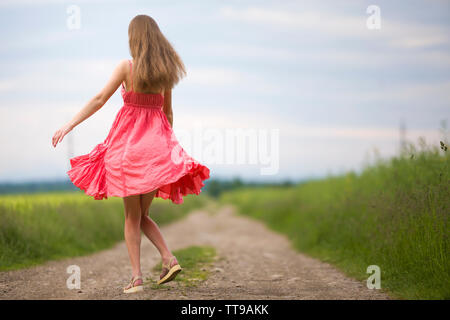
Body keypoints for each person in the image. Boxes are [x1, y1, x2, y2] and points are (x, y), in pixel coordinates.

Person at [51, 15, 210, 294]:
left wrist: (69, 124)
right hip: (155, 152)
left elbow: (100, 99)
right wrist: (167, 149)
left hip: (127, 152)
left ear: (134, 38)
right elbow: (168, 114)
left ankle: (138, 277)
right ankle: (167, 259)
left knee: (132, 217)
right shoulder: (165, 73)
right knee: (143, 214)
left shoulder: (127, 68)